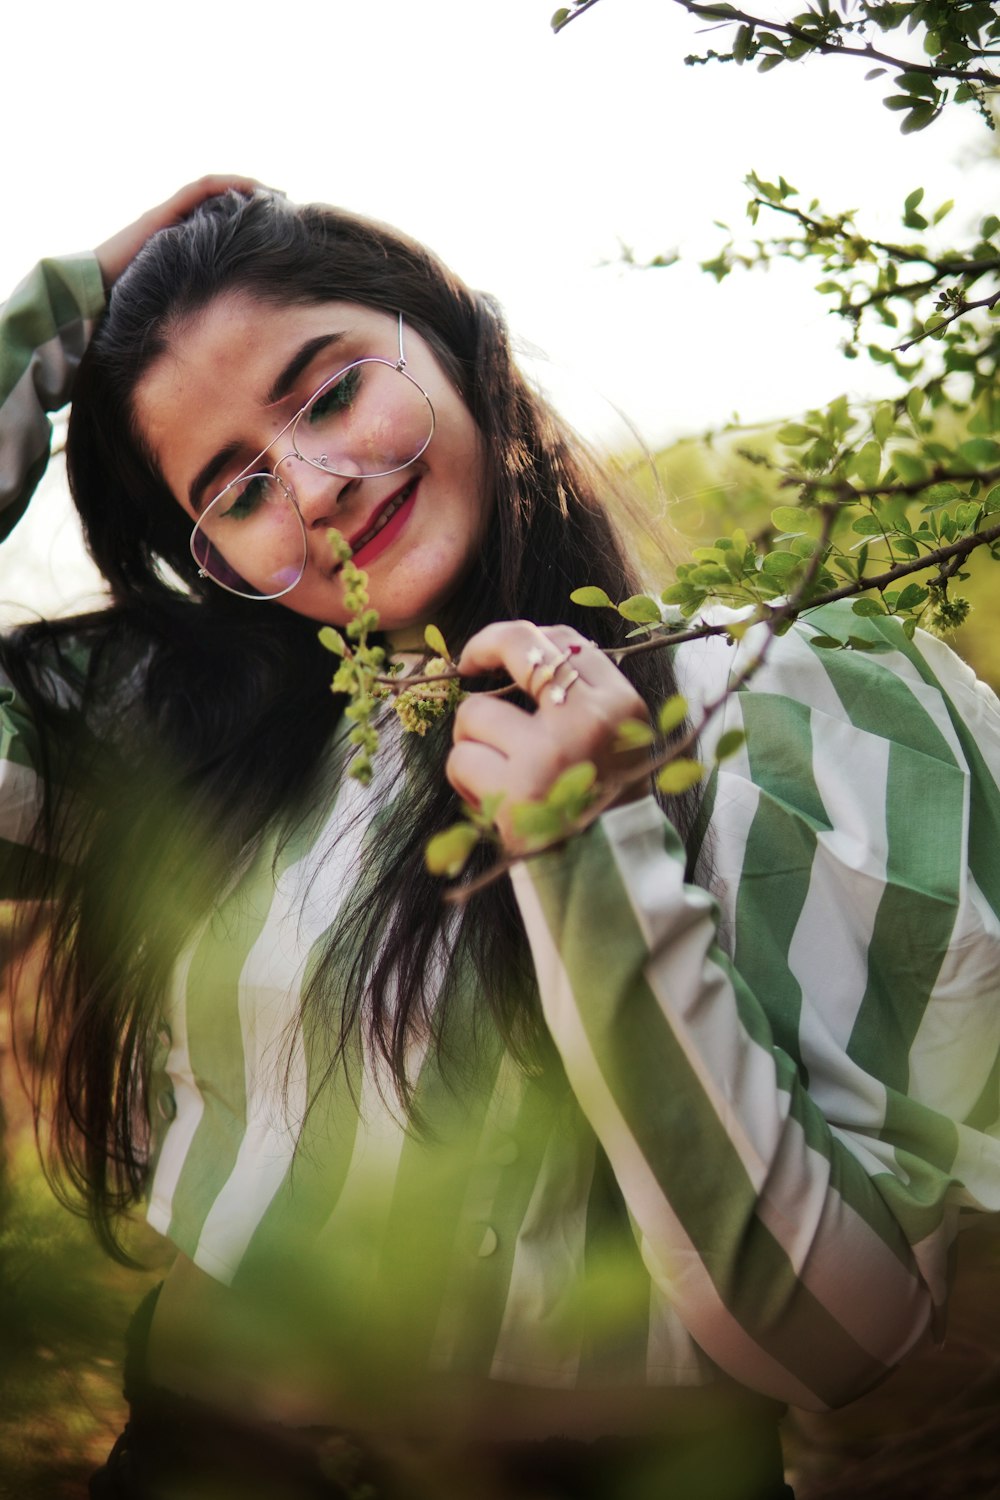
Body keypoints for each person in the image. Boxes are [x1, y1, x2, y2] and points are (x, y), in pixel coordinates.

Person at [1, 184, 998, 1500]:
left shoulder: (809, 704)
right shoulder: (184, 723)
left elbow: (841, 1333)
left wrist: (594, 853)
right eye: (236, 489)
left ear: (454, 333)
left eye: (330, 392)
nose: (314, 489)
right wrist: (52, 320)